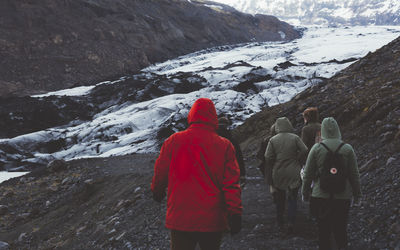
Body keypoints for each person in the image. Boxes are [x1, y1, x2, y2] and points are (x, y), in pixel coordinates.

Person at [151, 98, 242, 250]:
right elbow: (231, 184)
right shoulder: (224, 145)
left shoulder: (173, 141)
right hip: (212, 220)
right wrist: (235, 213)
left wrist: (157, 191)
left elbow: (161, 171)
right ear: (213, 117)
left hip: (181, 218)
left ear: (191, 115)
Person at [301, 117, 361, 250]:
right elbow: (354, 175)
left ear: (322, 131)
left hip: (320, 196)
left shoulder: (316, 148)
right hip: (342, 196)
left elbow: (308, 174)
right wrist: (357, 195)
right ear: (337, 130)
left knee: (323, 232)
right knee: (340, 230)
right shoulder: (347, 149)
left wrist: (305, 192)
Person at [264, 117, 308, 234]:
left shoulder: (273, 140)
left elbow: (268, 157)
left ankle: (280, 222)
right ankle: (291, 222)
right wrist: (297, 158)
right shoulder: (295, 138)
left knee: (280, 198)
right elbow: (305, 149)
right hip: (294, 170)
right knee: (293, 197)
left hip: (278, 171)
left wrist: (276, 160)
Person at [300, 107, 321, 220]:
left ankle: (314, 212)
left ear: (307, 117)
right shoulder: (322, 126)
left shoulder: (306, 129)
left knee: (310, 183)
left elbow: (303, 146)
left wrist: (301, 160)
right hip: (322, 158)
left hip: (309, 159)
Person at [217, 116, 246, 186]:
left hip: (213, 173)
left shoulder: (210, 139)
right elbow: (238, 156)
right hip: (229, 172)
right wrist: (242, 174)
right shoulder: (231, 140)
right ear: (227, 126)